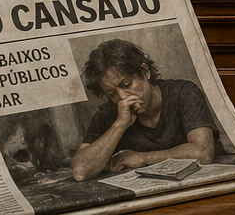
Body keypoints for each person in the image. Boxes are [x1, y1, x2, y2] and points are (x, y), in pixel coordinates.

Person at [71, 38, 220, 180]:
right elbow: (80, 171)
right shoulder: (107, 113)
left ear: (145, 72)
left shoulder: (184, 93)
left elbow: (203, 152)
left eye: (127, 84)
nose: (122, 97)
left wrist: (142, 158)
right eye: (112, 93)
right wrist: (119, 125)